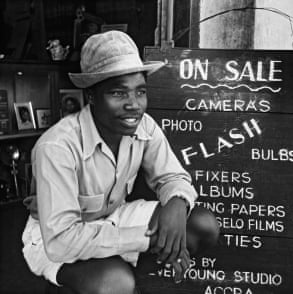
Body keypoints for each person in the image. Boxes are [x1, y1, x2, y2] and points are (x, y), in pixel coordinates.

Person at [22, 31, 219, 294]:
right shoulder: (56, 146)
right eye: (118, 93)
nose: (134, 105)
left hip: (111, 219)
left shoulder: (144, 126)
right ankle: (77, 283)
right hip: (57, 240)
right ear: (91, 97)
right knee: (116, 282)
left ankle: (134, 277)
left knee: (201, 225)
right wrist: (149, 240)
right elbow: (61, 240)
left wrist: (177, 204)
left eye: (140, 92)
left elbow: (173, 177)